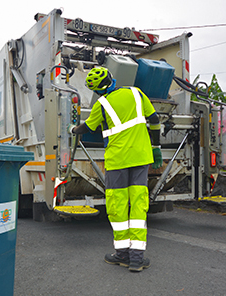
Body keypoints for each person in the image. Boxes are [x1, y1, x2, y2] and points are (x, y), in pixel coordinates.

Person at [69, 67, 162, 271]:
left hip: (117, 161)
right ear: (112, 79)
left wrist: (73, 129)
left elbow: (88, 128)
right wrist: (156, 146)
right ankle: (137, 258)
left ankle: (121, 255)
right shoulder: (136, 93)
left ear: (98, 91)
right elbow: (154, 120)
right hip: (140, 157)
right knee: (138, 205)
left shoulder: (101, 104)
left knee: (117, 206)